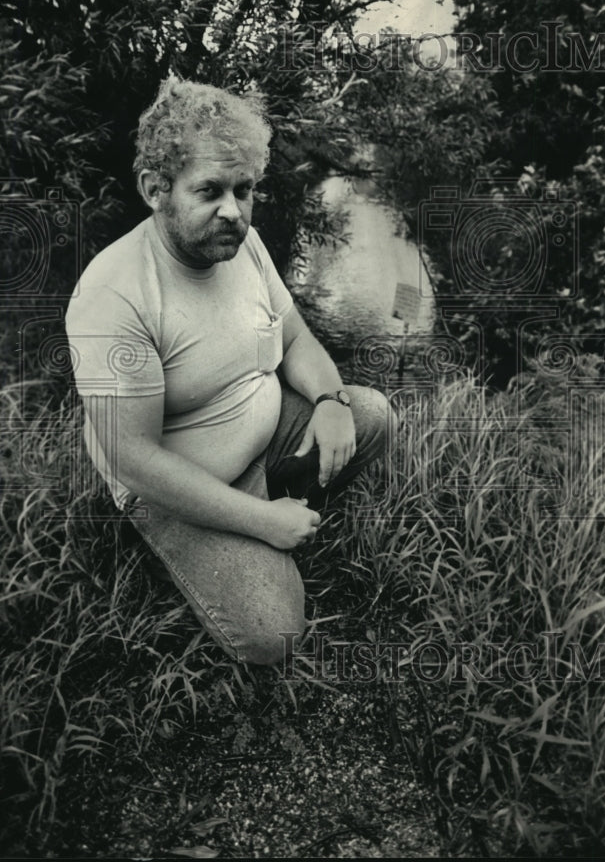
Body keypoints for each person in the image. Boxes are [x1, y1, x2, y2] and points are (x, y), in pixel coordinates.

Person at [65, 77, 396, 665]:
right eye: (211, 191)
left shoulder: (243, 245)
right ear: (154, 189)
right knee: (273, 634)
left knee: (369, 414)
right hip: (179, 485)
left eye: (244, 190)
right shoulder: (115, 296)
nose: (233, 211)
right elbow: (132, 459)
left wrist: (329, 402)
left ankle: (275, 502)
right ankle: (241, 532)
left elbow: (295, 337)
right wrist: (262, 521)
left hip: (264, 432)